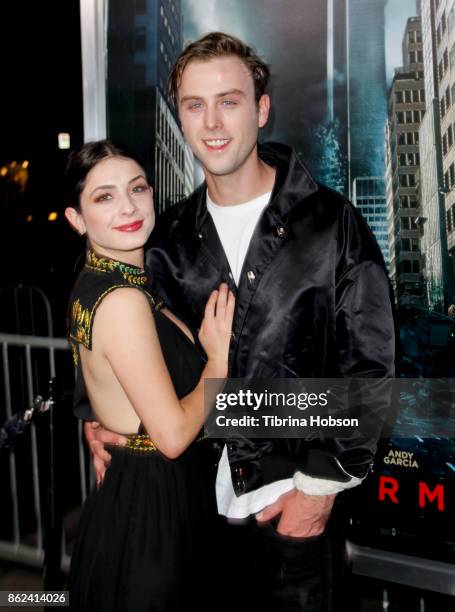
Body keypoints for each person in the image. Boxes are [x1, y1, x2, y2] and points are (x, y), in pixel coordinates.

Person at [87, 32, 395, 611]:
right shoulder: (165, 242)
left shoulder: (332, 224)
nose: (212, 122)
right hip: (190, 515)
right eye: (194, 105)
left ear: (261, 109)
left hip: (292, 516)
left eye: (229, 100)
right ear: (179, 116)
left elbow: (371, 371)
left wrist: (319, 490)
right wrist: (102, 414)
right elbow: (125, 341)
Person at [63, 139, 234, 611]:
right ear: (76, 219)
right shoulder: (123, 300)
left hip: (141, 499)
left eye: (137, 188)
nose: (128, 206)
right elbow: (174, 435)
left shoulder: (108, 282)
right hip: (153, 512)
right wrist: (217, 360)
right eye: (104, 197)